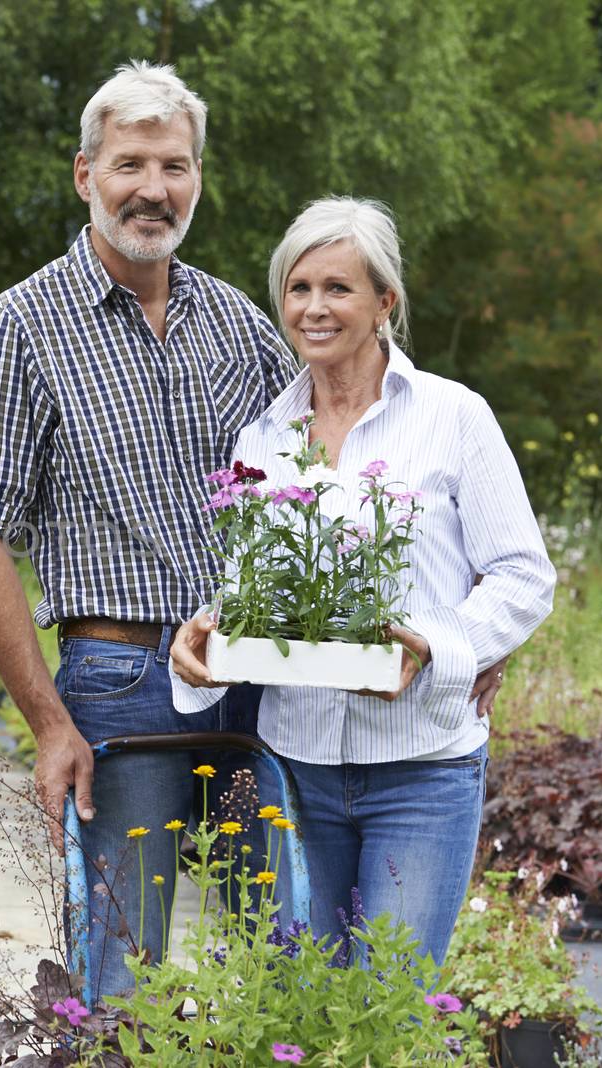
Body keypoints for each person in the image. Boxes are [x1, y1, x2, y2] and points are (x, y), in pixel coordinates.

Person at [0, 59, 302, 1003]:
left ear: (197, 178)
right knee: (118, 979)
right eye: (132, 164)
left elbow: (347, 471)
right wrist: (47, 722)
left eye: (175, 167)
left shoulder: (240, 324)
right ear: (85, 174)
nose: (154, 190)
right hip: (118, 687)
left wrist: (463, 611)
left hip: (253, 681)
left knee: (282, 962)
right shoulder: (23, 324)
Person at [169, 196, 556, 967]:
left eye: (338, 288)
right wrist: (206, 631)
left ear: (385, 302)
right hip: (296, 771)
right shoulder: (265, 435)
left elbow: (523, 575)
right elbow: (263, 591)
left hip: (422, 769)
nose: (314, 308)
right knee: (298, 1003)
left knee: (391, 1002)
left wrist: (441, 647)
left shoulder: (454, 417)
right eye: (298, 288)